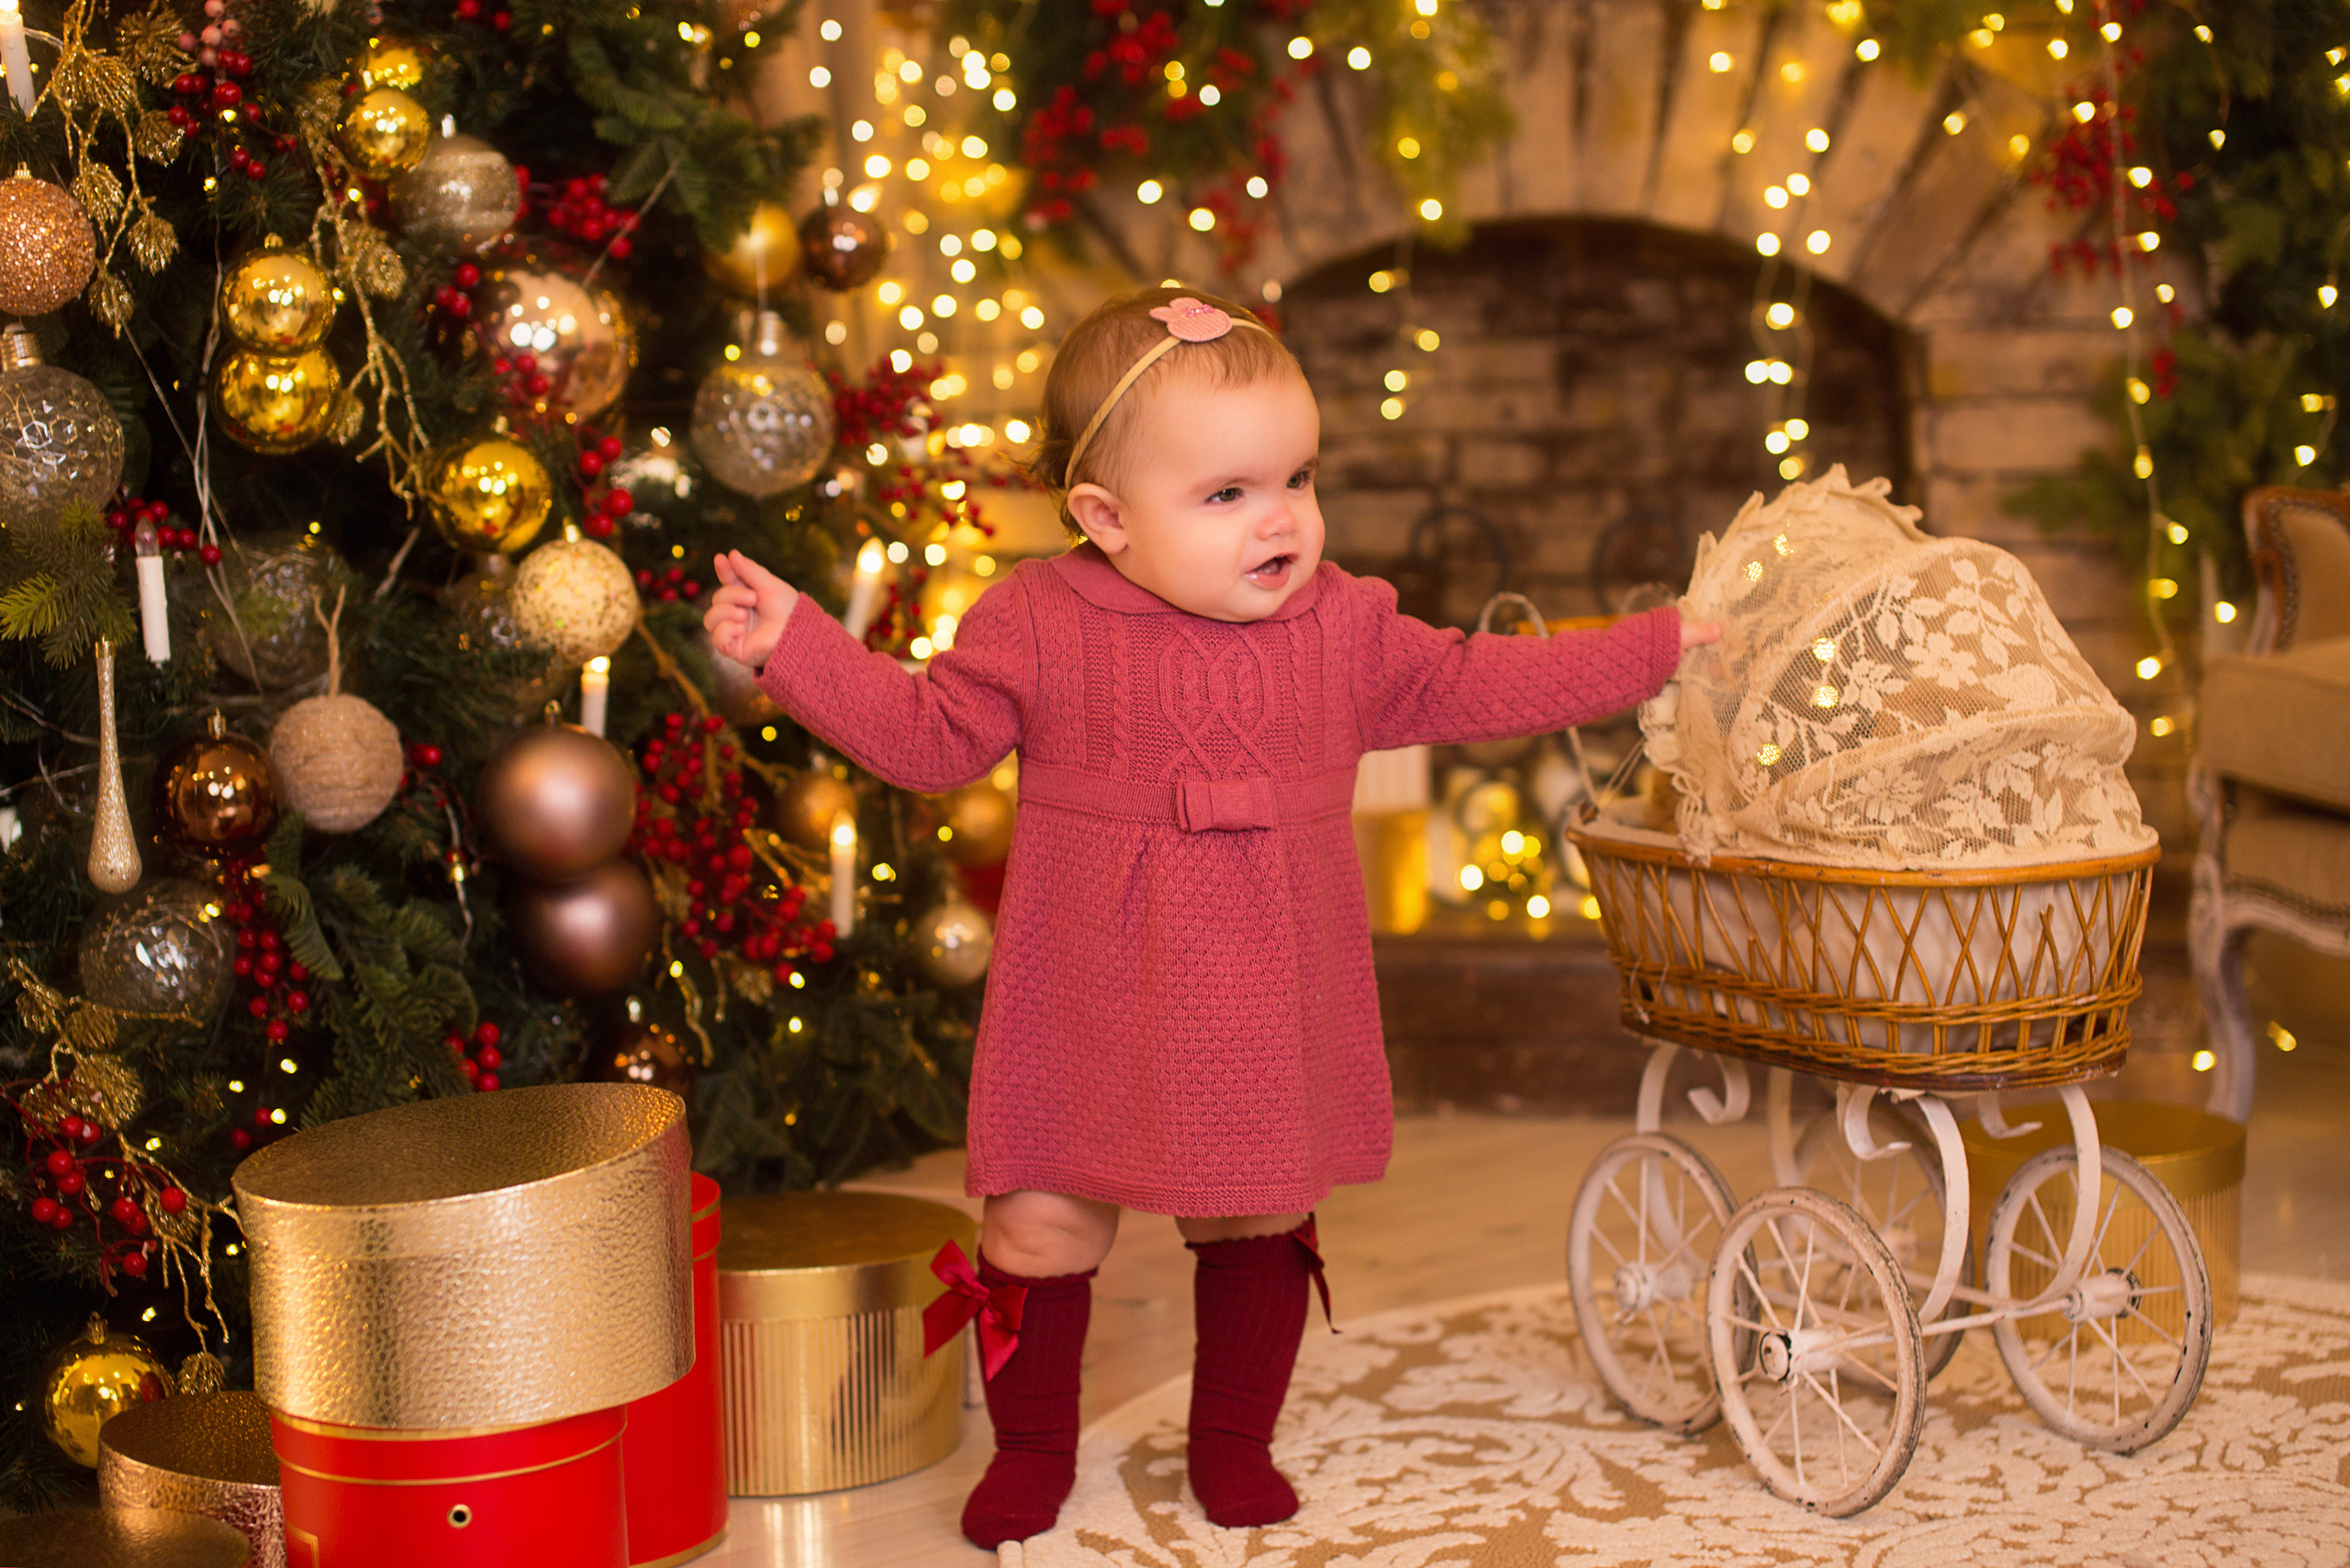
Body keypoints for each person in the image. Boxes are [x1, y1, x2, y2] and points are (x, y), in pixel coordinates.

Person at [705, 286, 1719, 1547]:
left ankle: (1232, 1439)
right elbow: (927, 738)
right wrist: (795, 644)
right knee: (1039, 1217)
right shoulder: (1037, 619)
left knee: (1253, 1205)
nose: (1280, 518)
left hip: (1257, 978)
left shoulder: (1343, 626)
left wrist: (1657, 646)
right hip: (1087, 981)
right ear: (1105, 519)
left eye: (1296, 477)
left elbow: (1487, 676)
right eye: (1226, 494)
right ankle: (1033, 1450)